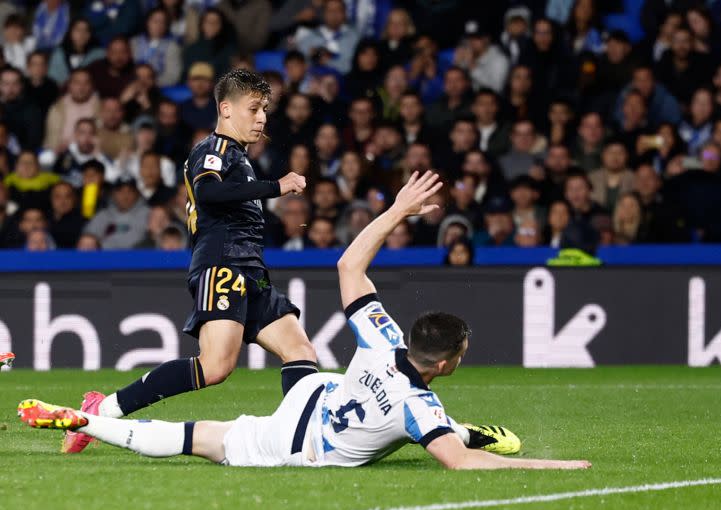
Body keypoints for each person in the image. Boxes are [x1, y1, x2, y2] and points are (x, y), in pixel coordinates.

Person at [17, 173, 588, 470]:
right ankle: (85, 419)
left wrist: (396, 211)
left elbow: (349, 264)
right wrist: (556, 464)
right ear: (444, 363)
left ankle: (89, 416)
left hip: (319, 394)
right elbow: (458, 463)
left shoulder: (383, 336)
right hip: (295, 440)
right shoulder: (421, 407)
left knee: (298, 353)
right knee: (191, 440)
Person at [58, 70, 319, 456]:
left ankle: (302, 440)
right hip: (223, 265)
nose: (262, 117)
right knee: (214, 367)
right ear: (226, 109)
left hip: (252, 270)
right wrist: (276, 187)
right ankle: (104, 409)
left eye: (264, 109)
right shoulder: (212, 149)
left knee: (301, 352)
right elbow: (209, 191)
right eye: (254, 108)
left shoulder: (240, 159)